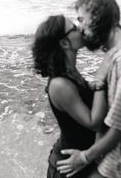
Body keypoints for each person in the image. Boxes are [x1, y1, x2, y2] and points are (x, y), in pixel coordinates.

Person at [56, 0, 121, 178]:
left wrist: (84, 157)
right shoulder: (116, 56)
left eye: (82, 20)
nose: (80, 28)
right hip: (107, 156)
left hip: (113, 162)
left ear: (98, 17)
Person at [32, 15, 110, 178]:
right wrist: (102, 81)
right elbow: (93, 123)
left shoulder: (70, 71)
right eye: (74, 28)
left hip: (82, 159)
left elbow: (82, 91)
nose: (80, 29)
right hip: (69, 166)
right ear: (64, 43)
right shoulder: (59, 84)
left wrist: (96, 85)